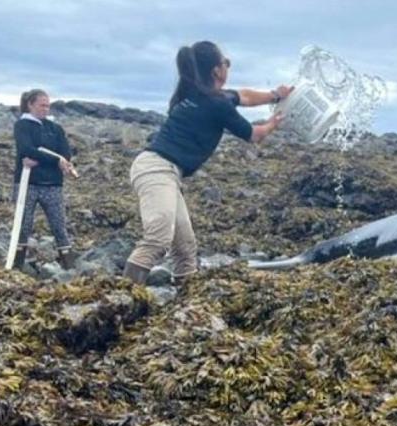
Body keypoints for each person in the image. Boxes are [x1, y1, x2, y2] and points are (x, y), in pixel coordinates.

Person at [122, 40, 291, 284]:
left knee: (185, 248)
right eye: (227, 63)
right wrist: (276, 121)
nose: (228, 68)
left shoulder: (197, 94)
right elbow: (255, 135)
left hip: (167, 172)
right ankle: (122, 297)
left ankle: (184, 301)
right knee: (158, 238)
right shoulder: (216, 103)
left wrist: (275, 96)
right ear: (216, 70)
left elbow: (243, 95)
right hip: (156, 169)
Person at [12, 89, 77, 270]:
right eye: (42, 105)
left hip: (52, 185)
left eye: (48, 105)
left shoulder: (55, 128)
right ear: (30, 104)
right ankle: (17, 268)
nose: (46, 109)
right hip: (27, 184)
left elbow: (65, 154)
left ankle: (69, 269)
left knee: (59, 226)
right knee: (23, 227)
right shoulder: (22, 126)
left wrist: (51, 160)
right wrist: (55, 161)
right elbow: (26, 149)